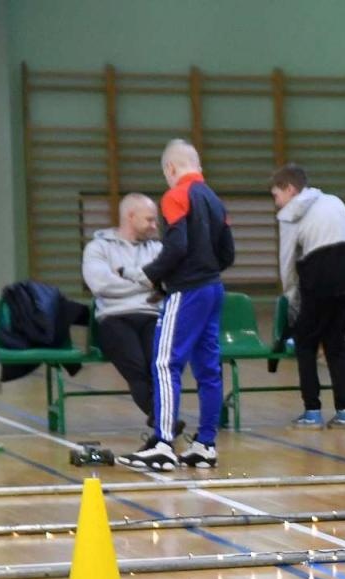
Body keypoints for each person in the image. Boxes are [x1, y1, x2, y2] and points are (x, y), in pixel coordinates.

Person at [120, 139, 234, 470]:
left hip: (188, 292)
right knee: (208, 369)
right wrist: (205, 271)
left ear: (170, 168)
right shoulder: (215, 200)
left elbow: (177, 246)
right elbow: (228, 253)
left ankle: (163, 444)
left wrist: (150, 275)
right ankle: (205, 444)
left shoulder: (176, 195)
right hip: (213, 289)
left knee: (164, 363)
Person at [271, 164, 345, 430]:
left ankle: (312, 411)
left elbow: (287, 261)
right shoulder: (334, 201)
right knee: (337, 342)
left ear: (290, 189)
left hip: (319, 275)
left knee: (305, 342)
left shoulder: (290, 214)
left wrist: (291, 296)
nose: (276, 203)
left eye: (276, 195)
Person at [81, 193, 165, 428]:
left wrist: (126, 278)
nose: (155, 225)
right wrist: (147, 283)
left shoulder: (158, 249)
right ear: (130, 216)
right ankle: (162, 419)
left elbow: (167, 283)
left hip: (152, 316)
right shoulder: (98, 248)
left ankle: (162, 419)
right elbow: (101, 285)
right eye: (149, 219)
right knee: (136, 367)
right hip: (113, 318)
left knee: (158, 367)